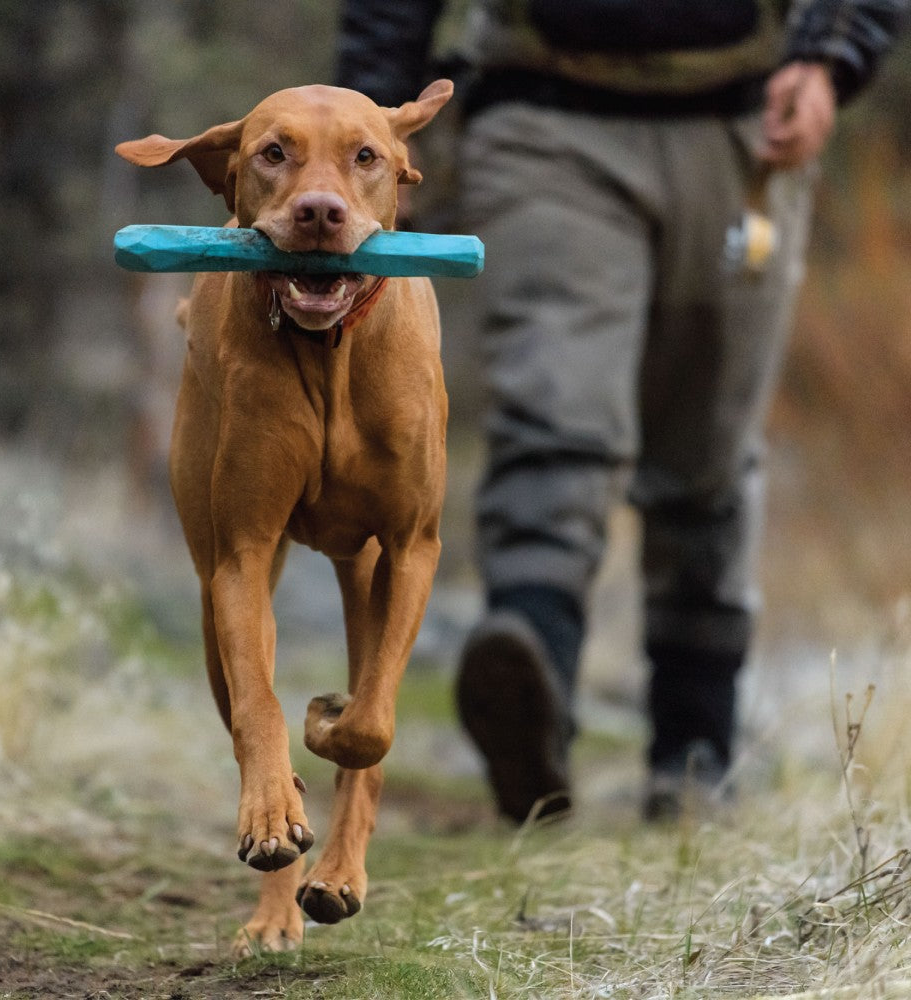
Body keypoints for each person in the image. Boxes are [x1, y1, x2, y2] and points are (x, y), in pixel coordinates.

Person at [334, 0, 908, 822]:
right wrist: (367, 127)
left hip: (745, 121)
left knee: (707, 445)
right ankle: (531, 675)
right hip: (544, 121)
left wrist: (831, 55)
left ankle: (695, 750)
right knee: (556, 410)